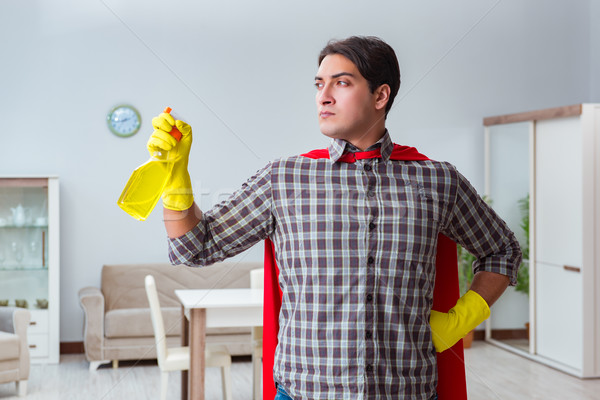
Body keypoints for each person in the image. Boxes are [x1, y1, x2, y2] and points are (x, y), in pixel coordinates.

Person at [147, 36, 522, 400]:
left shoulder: (437, 180)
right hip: (304, 392)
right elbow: (193, 248)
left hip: (408, 390)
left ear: (380, 95)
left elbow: (503, 251)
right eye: (319, 84)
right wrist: (176, 176)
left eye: (341, 82)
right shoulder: (284, 179)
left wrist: (460, 319)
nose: (323, 96)